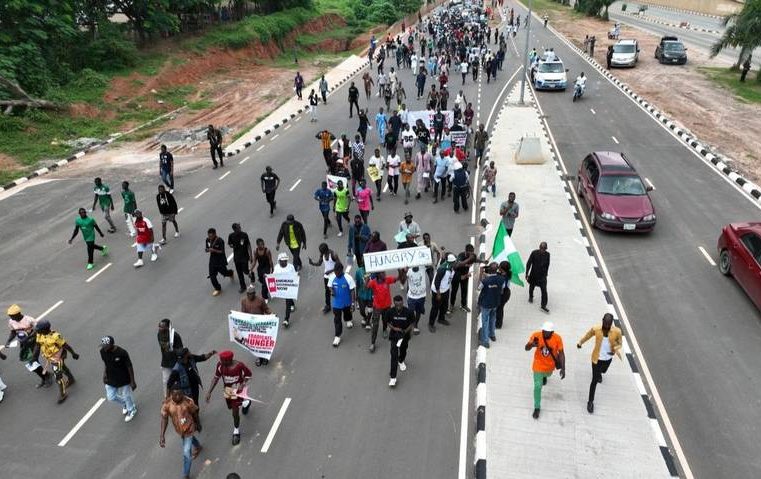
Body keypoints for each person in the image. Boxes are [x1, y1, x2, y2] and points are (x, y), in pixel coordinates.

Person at [577, 313, 623, 413]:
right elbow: (587, 336)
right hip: (596, 359)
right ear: (602, 320)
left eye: (609, 324)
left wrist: (615, 349)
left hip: (608, 358)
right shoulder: (596, 329)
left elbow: (620, 343)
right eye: (605, 323)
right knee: (594, 381)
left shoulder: (617, 331)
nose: (606, 325)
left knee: (604, 371)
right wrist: (580, 343)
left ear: (611, 323)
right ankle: (590, 402)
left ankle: (599, 374)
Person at [206, 350, 252, 445]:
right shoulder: (220, 366)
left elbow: (248, 375)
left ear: (229, 360)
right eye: (221, 360)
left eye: (223, 361)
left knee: (235, 412)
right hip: (228, 391)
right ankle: (246, 402)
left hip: (238, 391)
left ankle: (236, 431)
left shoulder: (239, 366)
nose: (221, 362)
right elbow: (216, 378)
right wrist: (209, 392)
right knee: (231, 407)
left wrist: (242, 384)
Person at [160, 385, 203, 479]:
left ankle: (185, 475)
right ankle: (198, 446)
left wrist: (198, 424)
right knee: (189, 439)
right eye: (175, 395)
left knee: (186, 453)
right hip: (180, 430)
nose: (178, 397)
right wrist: (162, 436)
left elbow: (195, 413)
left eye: (180, 394)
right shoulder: (167, 404)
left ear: (183, 393)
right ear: (171, 394)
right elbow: (164, 419)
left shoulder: (188, 401)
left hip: (189, 428)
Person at [525, 322, 565, 419]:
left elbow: (561, 354)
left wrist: (563, 368)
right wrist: (531, 345)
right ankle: (537, 407)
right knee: (538, 386)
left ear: (552, 332)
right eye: (544, 331)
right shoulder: (536, 336)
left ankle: (544, 377)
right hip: (538, 365)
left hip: (549, 367)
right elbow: (526, 348)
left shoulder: (557, 338)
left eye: (547, 332)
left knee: (547, 375)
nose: (545, 333)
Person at [33, 320, 79, 404]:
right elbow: (37, 345)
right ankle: (71, 379)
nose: (36, 331)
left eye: (38, 329)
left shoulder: (55, 336)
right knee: (63, 367)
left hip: (58, 357)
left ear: (45, 330)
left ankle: (63, 394)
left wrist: (73, 353)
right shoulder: (39, 335)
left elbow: (65, 345)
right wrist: (34, 357)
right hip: (50, 357)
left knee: (58, 377)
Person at [5, 304, 50, 387]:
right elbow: (13, 332)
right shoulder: (11, 321)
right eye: (10, 316)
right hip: (24, 344)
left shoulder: (29, 319)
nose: (11, 317)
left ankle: (46, 378)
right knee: (31, 363)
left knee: (33, 361)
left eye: (12, 316)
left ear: (18, 314)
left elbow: (38, 330)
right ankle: (45, 375)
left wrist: (28, 337)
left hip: (34, 342)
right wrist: (8, 341)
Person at [100, 336, 138, 422]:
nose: (103, 348)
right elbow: (106, 363)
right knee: (111, 397)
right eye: (103, 346)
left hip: (123, 378)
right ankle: (125, 403)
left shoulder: (122, 352)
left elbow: (129, 366)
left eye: (105, 346)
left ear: (111, 344)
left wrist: (132, 381)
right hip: (110, 378)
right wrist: (104, 374)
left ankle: (131, 409)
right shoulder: (102, 351)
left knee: (126, 395)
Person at [384, 296, 415, 387]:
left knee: (403, 350)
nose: (399, 307)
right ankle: (393, 378)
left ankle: (401, 361)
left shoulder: (408, 311)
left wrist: (406, 331)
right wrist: (394, 328)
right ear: (394, 303)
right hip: (394, 335)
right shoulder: (390, 312)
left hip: (404, 335)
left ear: (403, 303)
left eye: (400, 304)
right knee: (393, 354)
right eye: (397, 305)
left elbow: (412, 322)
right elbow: (387, 322)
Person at [239, 286, 273, 365]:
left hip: (260, 325)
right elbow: (243, 313)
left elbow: (266, 309)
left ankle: (265, 357)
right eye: (248, 294)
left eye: (251, 294)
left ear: (254, 293)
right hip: (251, 326)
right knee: (255, 343)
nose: (250, 295)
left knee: (262, 342)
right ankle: (259, 357)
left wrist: (272, 314)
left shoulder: (260, 300)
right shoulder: (244, 301)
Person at [366, 271, 397, 352]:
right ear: (378, 275)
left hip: (387, 306)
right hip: (377, 307)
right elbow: (366, 287)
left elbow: (397, 279)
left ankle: (384, 329)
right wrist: (366, 279)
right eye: (382, 273)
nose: (385, 274)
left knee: (385, 320)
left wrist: (402, 272)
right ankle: (373, 343)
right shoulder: (373, 282)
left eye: (384, 273)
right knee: (375, 324)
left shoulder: (387, 280)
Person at [477, 263, 505, 348]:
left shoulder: (486, 281)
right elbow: (502, 290)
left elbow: (478, 287)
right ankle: (492, 335)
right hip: (495, 302)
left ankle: (485, 341)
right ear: (497, 270)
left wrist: (481, 274)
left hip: (486, 304)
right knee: (493, 318)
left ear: (489, 270)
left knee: (485, 321)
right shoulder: (501, 279)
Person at [327, 263, 356, 347]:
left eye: (337, 272)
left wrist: (353, 303)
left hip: (347, 302)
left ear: (341, 270)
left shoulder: (348, 278)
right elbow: (329, 286)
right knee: (337, 319)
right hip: (336, 304)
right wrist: (332, 291)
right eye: (335, 272)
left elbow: (352, 291)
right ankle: (337, 336)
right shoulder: (332, 277)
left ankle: (348, 320)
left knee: (347, 313)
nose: (336, 273)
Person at [309, 243, 341, 314]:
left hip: (335, 276)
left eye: (322, 252)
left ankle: (340, 304)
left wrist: (330, 271)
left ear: (326, 250)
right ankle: (328, 306)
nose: (321, 253)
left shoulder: (333, 254)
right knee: (327, 291)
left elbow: (340, 265)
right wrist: (312, 263)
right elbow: (319, 263)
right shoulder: (322, 254)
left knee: (337, 290)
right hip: (327, 276)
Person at [428, 254, 456, 332]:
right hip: (438, 291)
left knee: (444, 306)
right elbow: (437, 282)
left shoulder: (452, 268)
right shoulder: (442, 269)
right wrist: (438, 293)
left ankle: (441, 318)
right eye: (454, 262)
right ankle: (431, 324)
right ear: (451, 262)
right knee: (435, 308)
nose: (455, 263)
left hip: (445, 290)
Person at [158, 319, 183, 396]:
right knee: (166, 381)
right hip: (165, 362)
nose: (160, 328)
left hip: (176, 362)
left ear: (168, 327)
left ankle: (181, 396)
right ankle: (167, 398)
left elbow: (181, 350)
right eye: (159, 326)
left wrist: (173, 349)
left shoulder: (175, 336)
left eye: (162, 327)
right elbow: (163, 346)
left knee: (178, 380)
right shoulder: (159, 334)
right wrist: (168, 347)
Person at [206, 227, 234, 296]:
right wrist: (207, 250)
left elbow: (222, 251)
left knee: (224, 273)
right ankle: (217, 288)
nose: (210, 238)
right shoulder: (207, 240)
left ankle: (231, 273)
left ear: (215, 234)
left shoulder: (220, 241)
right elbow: (207, 248)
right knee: (212, 276)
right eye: (209, 236)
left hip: (220, 261)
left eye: (211, 236)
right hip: (212, 260)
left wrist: (214, 250)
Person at [272, 253, 297, 327]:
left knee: (287, 302)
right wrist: (267, 276)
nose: (284, 262)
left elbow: (294, 276)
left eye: (285, 260)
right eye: (282, 261)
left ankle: (286, 319)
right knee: (288, 299)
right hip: (282, 288)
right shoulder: (276, 267)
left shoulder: (291, 267)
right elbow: (273, 276)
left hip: (289, 288)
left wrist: (297, 275)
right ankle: (292, 304)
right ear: (279, 261)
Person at [228, 223, 253, 293]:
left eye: (240, 227)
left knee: (245, 271)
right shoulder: (231, 236)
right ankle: (243, 287)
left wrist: (251, 256)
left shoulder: (244, 235)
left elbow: (248, 245)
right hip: (236, 257)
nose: (240, 228)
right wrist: (232, 246)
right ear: (234, 229)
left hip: (244, 256)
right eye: (238, 228)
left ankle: (250, 273)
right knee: (239, 273)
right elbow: (229, 244)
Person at [526, 242, 550, 312]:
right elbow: (529, 263)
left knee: (544, 291)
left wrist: (546, 273)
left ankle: (543, 305)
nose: (543, 250)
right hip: (534, 274)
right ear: (539, 247)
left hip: (542, 276)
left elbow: (548, 264)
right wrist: (527, 273)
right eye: (541, 248)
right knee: (532, 286)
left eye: (544, 249)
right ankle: (531, 296)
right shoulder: (534, 253)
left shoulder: (548, 255)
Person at [450, 245, 476, 313]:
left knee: (464, 291)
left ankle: (463, 305)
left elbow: (476, 259)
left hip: (465, 275)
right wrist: (468, 261)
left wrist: (483, 261)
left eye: (473, 252)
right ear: (466, 251)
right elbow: (459, 264)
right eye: (471, 252)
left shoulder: (472, 256)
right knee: (454, 291)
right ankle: (452, 305)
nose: (472, 254)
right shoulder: (461, 255)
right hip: (457, 275)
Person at [405, 265, 428, 335]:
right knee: (410, 312)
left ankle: (415, 325)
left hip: (422, 296)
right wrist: (402, 271)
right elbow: (402, 279)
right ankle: (409, 326)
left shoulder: (423, 267)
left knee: (418, 312)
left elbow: (430, 262)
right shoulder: (408, 271)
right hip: (412, 297)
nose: (415, 267)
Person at [495, 261, 512, 329]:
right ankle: (497, 322)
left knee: (499, 308)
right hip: (506, 292)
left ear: (502, 269)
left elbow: (502, 288)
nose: (498, 267)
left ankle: (498, 324)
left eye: (499, 267)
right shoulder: (507, 273)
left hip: (503, 294)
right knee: (499, 308)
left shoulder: (503, 278)